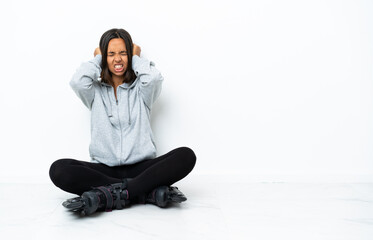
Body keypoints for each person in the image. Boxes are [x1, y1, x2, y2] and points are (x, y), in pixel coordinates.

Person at [49, 28, 196, 216]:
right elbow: (77, 82)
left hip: (142, 168)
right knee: (59, 170)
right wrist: (98, 57)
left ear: (130, 55)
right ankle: (144, 193)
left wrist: (136, 57)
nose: (117, 59)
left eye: (123, 53)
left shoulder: (142, 90)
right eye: (111, 54)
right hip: (104, 170)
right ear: (104, 58)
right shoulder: (94, 92)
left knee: (186, 155)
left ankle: (109, 195)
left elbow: (153, 79)